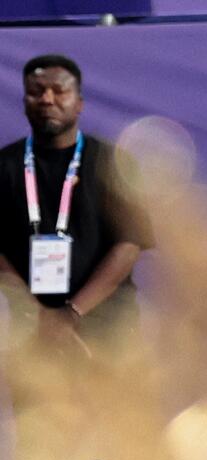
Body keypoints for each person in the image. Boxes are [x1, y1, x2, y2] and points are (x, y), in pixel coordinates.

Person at [0, 54, 151, 356]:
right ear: (25, 103)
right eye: (36, 91)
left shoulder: (113, 162)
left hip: (107, 330)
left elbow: (129, 245)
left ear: (79, 103)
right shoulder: (5, 165)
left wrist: (71, 314)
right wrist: (38, 314)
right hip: (33, 333)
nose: (47, 99)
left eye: (59, 90)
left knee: (114, 405)